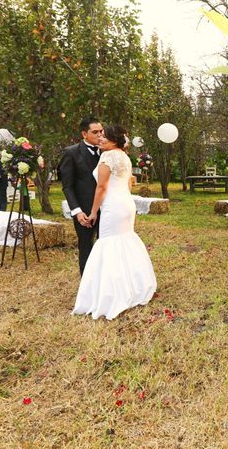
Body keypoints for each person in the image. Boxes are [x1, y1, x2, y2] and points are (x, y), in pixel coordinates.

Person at [72, 125, 157, 320]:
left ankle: (113, 293)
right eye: (99, 135)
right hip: (126, 203)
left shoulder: (107, 157)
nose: (100, 138)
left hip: (113, 206)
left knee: (109, 243)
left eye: (104, 136)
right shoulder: (124, 156)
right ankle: (135, 286)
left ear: (113, 140)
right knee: (125, 240)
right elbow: (128, 183)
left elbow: (101, 187)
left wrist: (93, 212)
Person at [58, 116, 104, 275]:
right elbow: (67, 187)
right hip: (84, 211)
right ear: (84, 134)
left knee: (106, 246)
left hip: (107, 208)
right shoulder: (71, 152)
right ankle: (87, 281)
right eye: (95, 132)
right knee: (86, 246)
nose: (100, 135)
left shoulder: (107, 151)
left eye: (101, 131)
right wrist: (77, 211)